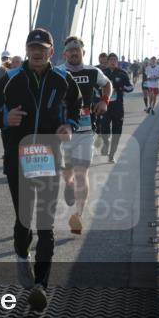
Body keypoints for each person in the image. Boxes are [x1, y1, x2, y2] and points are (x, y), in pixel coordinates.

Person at [0, 28, 80, 312]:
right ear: (26, 50)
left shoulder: (63, 79)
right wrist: (4, 117)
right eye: (32, 47)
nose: (37, 52)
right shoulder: (10, 79)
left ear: (51, 52)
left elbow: (76, 104)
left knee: (45, 224)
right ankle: (22, 255)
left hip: (49, 157)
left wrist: (69, 125)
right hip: (17, 158)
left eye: (42, 48)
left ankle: (41, 288)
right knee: (24, 220)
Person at [56, 36, 111, 236]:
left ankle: (78, 215)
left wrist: (105, 101)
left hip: (86, 130)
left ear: (83, 52)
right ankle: (68, 185)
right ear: (64, 54)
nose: (73, 52)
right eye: (70, 50)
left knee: (82, 172)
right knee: (68, 170)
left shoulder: (92, 72)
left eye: (77, 49)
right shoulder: (58, 73)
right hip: (62, 131)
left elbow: (107, 85)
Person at [99, 53, 133, 163]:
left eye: (115, 60)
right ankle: (106, 142)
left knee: (117, 132)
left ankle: (112, 155)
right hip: (105, 107)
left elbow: (130, 87)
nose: (113, 62)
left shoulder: (122, 74)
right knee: (104, 129)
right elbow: (94, 88)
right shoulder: (102, 73)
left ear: (117, 62)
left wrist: (120, 87)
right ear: (107, 62)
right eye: (111, 60)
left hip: (118, 107)